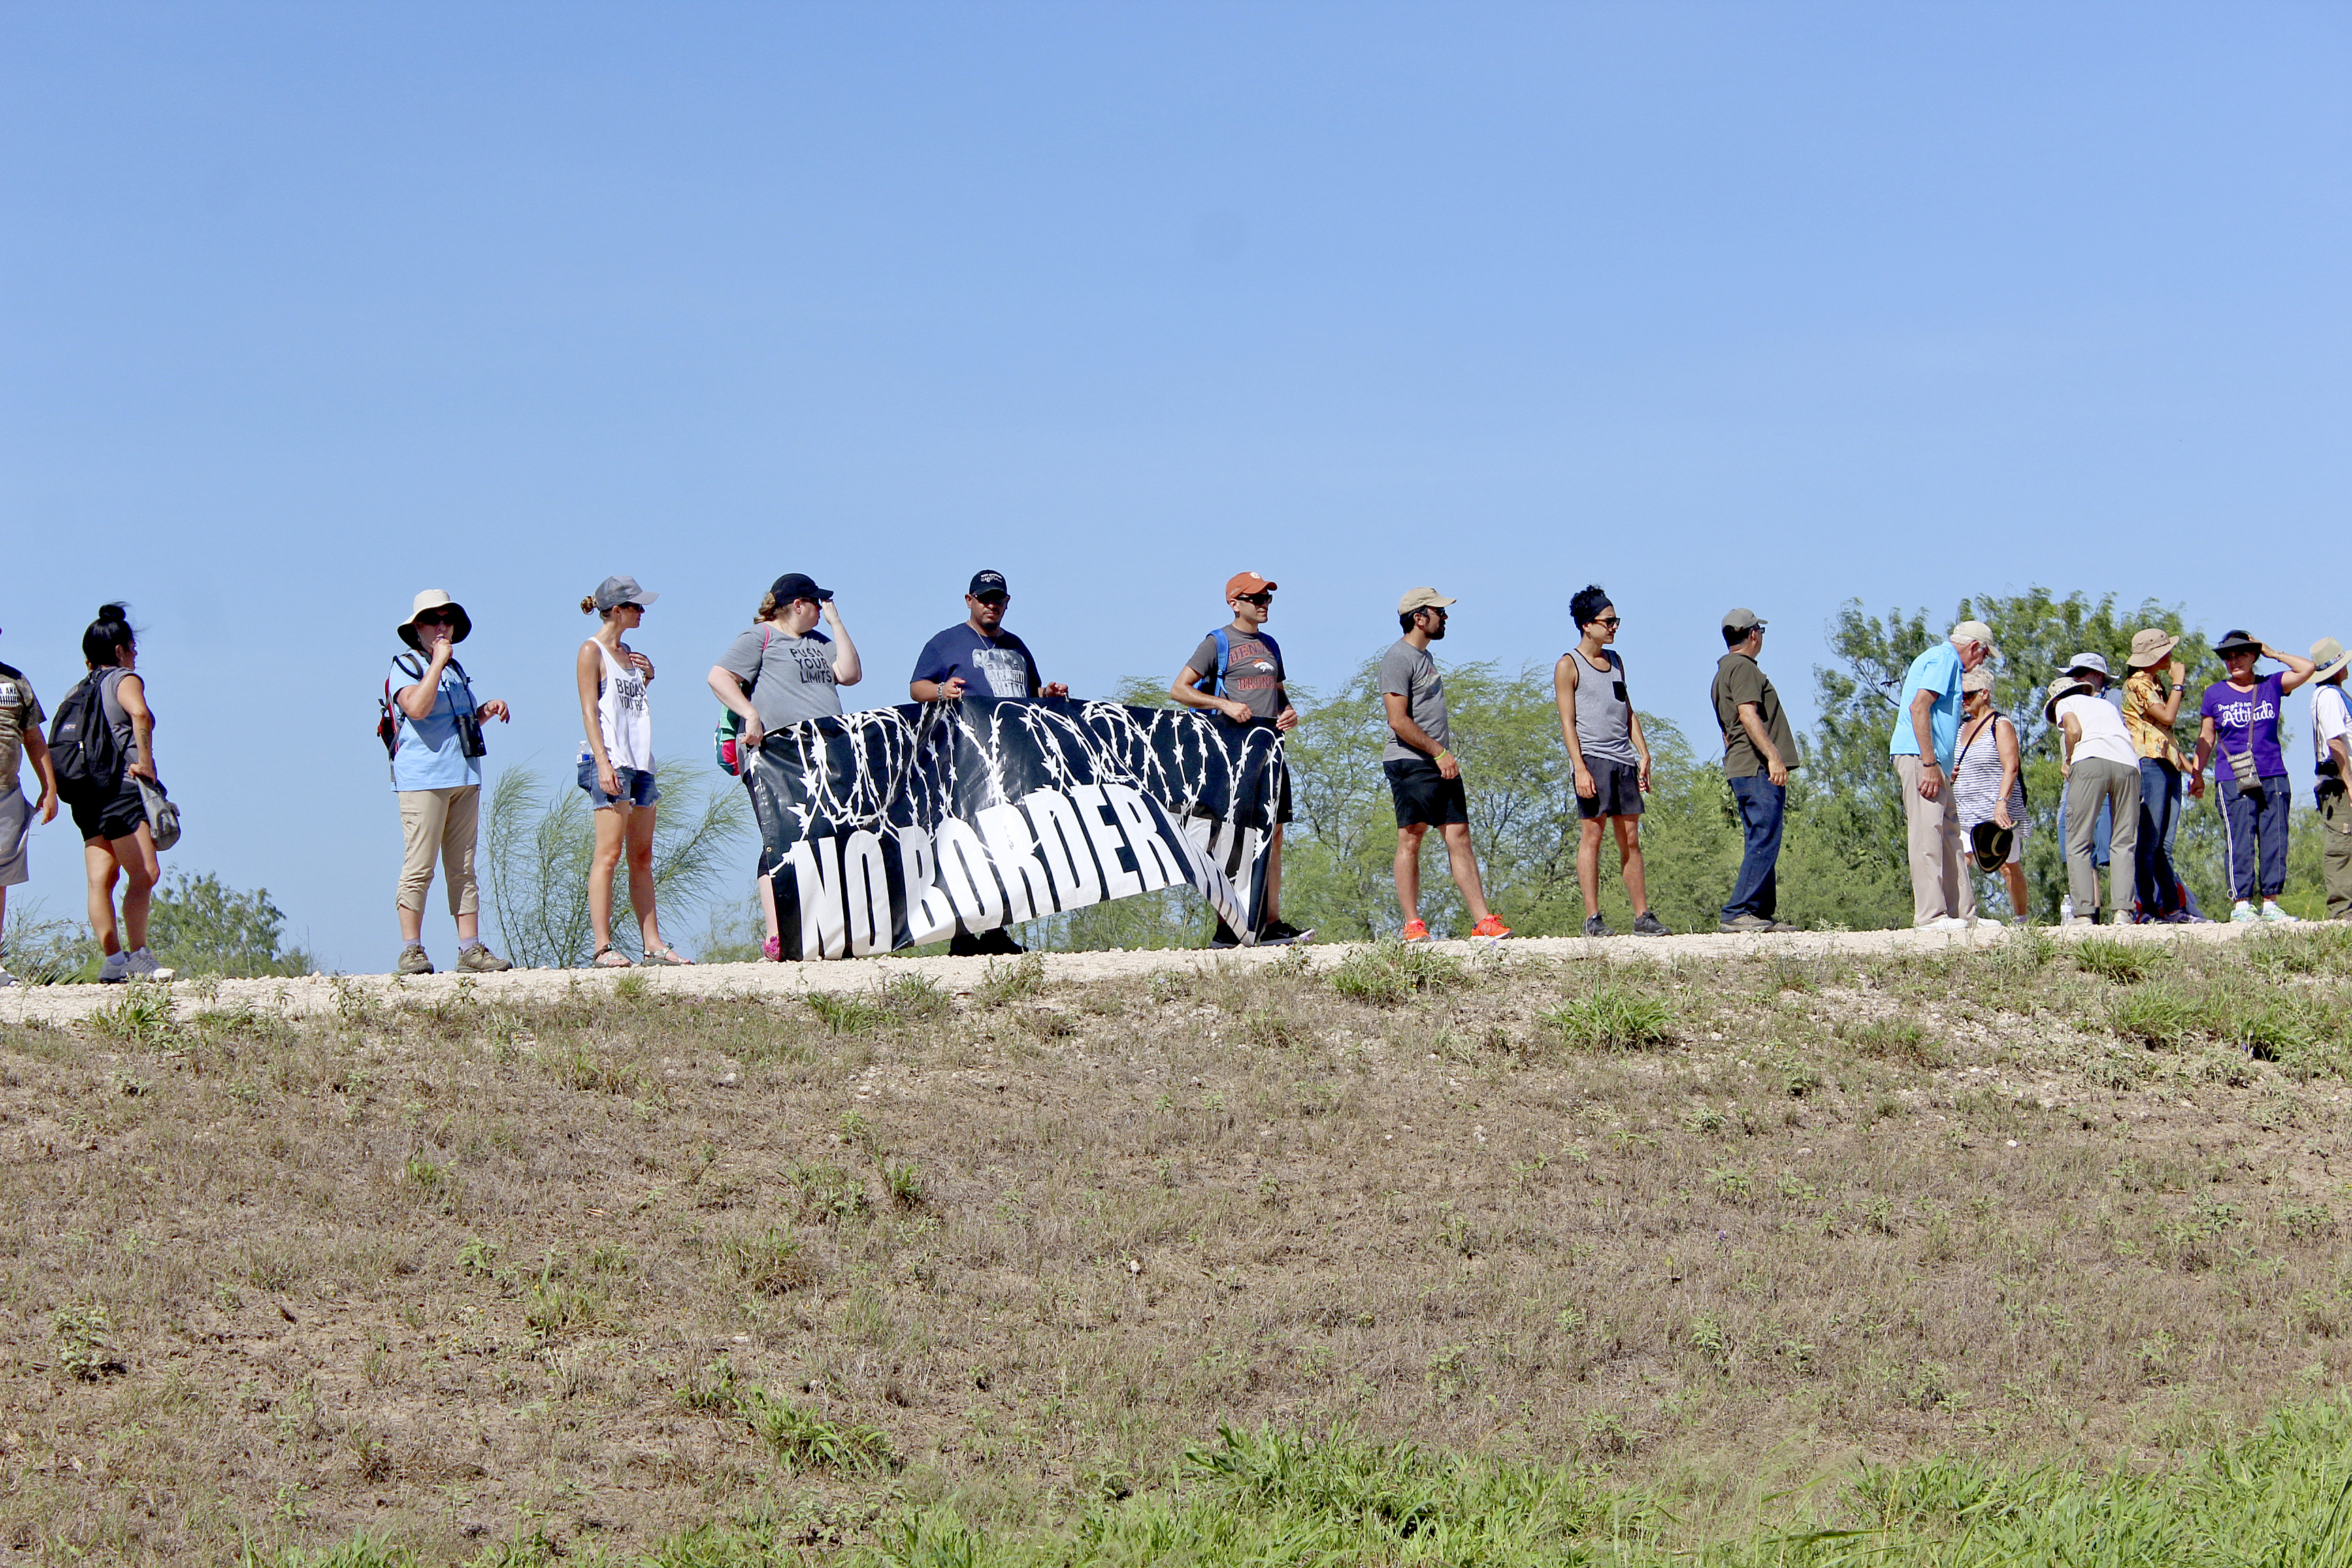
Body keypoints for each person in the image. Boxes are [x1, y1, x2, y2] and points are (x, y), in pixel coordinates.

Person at [708, 572, 862, 960]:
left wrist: (837, 625)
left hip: (825, 752)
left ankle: (825, 931)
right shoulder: (760, 636)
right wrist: (750, 714)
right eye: (817, 602)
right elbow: (719, 676)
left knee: (828, 834)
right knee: (781, 836)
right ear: (798, 604)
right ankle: (778, 935)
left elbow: (849, 674)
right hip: (777, 756)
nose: (822, 608)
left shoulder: (818, 642)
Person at [1169, 572, 1307, 948]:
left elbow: (1279, 694)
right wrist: (1224, 705)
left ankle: (1271, 922)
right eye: (1256, 598)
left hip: (1271, 750)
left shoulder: (1271, 645)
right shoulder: (1217, 642)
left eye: (1267, 598)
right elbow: (1179, 689)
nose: (1264, 604)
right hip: (1233, 753)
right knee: (1233, 838)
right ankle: (1229, 926)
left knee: (1274, 833)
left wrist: (1289, 711)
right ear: (1235, 603)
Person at [388, 590, 513, 975]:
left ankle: (470, 949)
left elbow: (456, 724)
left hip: (463, 775)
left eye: (448, 619)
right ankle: (411, 950)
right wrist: (437, 665)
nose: (442, 627)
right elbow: (418, 708)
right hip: (423, 780)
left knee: (462, 866)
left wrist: (485, 712)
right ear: (417, 629)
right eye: (433, 620)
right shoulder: (406, 667)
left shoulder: (456, 673)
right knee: (420, 864)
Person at [1380, 588, 1509, 942]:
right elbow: (1398, 721)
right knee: (1411, 837)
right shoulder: (1398, 658)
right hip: (1411, 761)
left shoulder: (1426, 658)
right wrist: (1438, 752)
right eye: (1439, 611)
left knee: (1459, 835)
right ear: (1419, 618)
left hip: (1440, 763)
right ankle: (1412, 925)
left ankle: (1483, 921)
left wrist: (1441, 757)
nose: (1445, 617)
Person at [576, 576, 690, 967]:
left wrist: (648, 679)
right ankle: (602, 946)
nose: (642, 613)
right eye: (637, 606)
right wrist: (604, 762)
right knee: (608, 854)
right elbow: (591, 712)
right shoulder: (592, 651)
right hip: (609, 761)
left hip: (641, 762)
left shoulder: (630, 654)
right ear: (618, 609)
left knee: (641, 857)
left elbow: (627, 709)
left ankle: (653, 944)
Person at [60, 604, 173, 982]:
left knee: (100, 881)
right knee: (145, 873)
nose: (136, 655)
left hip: (85, 792)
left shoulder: (77, 690)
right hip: (120, 788)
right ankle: (140, 955)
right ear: (121, 651)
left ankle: (114, 962)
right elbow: (139, 715)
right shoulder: (124, 679)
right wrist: (147, 763)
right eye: (133, 647)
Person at [1553, 586, 1667, 937]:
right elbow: (1567, 723)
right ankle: (1593, 918)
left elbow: (1626, 709)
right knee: (1593, 834)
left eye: (1616, 620)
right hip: (1593, 758)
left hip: (1623, 759)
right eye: (1608, 621)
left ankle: (1642, 916)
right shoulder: (1568, 666)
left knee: (1630, 837)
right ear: (1588, 625)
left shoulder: (1616, 661)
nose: (1614, 627)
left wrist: (1643, 752)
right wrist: (1580, 768)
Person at [2196, 630, 2316, 924]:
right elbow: (2206, 736)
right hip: (2232, 774)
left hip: (2273, 772)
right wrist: (2197, 772)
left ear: (2253, 656)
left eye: (2241, 654)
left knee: (2275, 837)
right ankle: (2241, 904)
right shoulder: (2215, 693)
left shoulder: (2271, 685)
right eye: (2228, 656)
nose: (2234, 661)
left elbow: (2307, 669)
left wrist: (2272, 652)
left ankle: (2271, 903)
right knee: (2240, 837)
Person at [1889, 620, 1996, 930]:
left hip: (1937, 764)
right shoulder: (1945, 659)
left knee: (1951, 835)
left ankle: (1963, 914)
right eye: (1984, 655)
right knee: (1928, 832)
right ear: (1974, 647)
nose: (1981, 663)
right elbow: (1919, 708)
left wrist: (1942, 764)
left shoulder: (1943, 660)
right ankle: (1931, 915)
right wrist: (1929, 763)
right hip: (1922, 759)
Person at [1711, 608, 1798, 933]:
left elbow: (1725, 729)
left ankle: (1758, 912)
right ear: (1752, 635)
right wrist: (1773, 757)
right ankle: (1738, 910)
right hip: (1755, 767)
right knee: (1765, 835)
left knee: (1760, 837)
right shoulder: (1743, 669)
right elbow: (1748, 715)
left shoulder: (1723, 673)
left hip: (1740, 766)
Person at [2048, 672, 2141, 926]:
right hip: (2128, 764)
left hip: (2089, 761)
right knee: (2123, 841)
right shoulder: (2105, 704)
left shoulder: (2065, 703)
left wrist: (2067, 760)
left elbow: (2074, 729)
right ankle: (2123, 912)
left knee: (2078, 839)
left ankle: (2084, 913)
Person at [2121, 630, 2198, 922]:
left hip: (2168, 764)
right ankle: (2147, 907)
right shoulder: (2137, 684)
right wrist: (2178, 684)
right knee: (2149, 842)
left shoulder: (2155, 683)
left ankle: (2172, 907)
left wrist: (2194, 771)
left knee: (2164, 844)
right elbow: (2167, 717)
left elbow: (2165, 736)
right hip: (2150, 765)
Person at [910, 570, 1068, 703]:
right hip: (969, 738)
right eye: (985, 599)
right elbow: (916, 689)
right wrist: (942, 691)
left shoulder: (1017, 645)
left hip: (1014, 737)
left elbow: (1030, 693)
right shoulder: (945, 643)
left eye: (998, 599)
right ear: (969, 601)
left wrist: (1048, 694)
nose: (992, 605)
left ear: (1007, 602)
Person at [0, 625, 58, 986]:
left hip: (5, 792)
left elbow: (33, 738)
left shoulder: (16, 682)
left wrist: (49, 789)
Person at [1953, 667, 2028, 923]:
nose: (1963, 700)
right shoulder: (1959, 727)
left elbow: (2012, 766)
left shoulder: (2000, 724)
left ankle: (2021, 920)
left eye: (1968, 695)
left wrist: (2002, 803)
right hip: (1963, 808)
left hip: (1995, 808)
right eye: (1960, 696)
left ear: (1984, 694)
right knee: (1960, 860)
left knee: (2008, 865)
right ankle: (1962, 916)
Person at [2308, 637, 2352, 919]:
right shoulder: (2330, 696)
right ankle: (2342, 911)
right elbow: (2335, 742)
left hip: (2340, 778)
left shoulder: (2333, 694)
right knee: (2342, 844)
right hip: (2338, 781)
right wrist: (2349, 781)